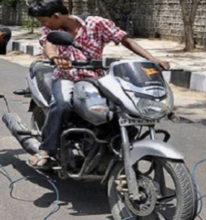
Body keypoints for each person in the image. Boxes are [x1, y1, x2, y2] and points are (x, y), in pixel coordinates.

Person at [27, 0, 170, 167]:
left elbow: (126, 40)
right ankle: (46, 149)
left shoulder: (96, 23)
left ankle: (116, 141)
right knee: (62, 104)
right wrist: (55, 58)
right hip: (66, 77)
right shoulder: (52, 29)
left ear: (56, 16)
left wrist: (153, 60)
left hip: (94, 77)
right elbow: (49, 44)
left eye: (43, 20)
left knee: (122, 105)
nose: (43, 24)